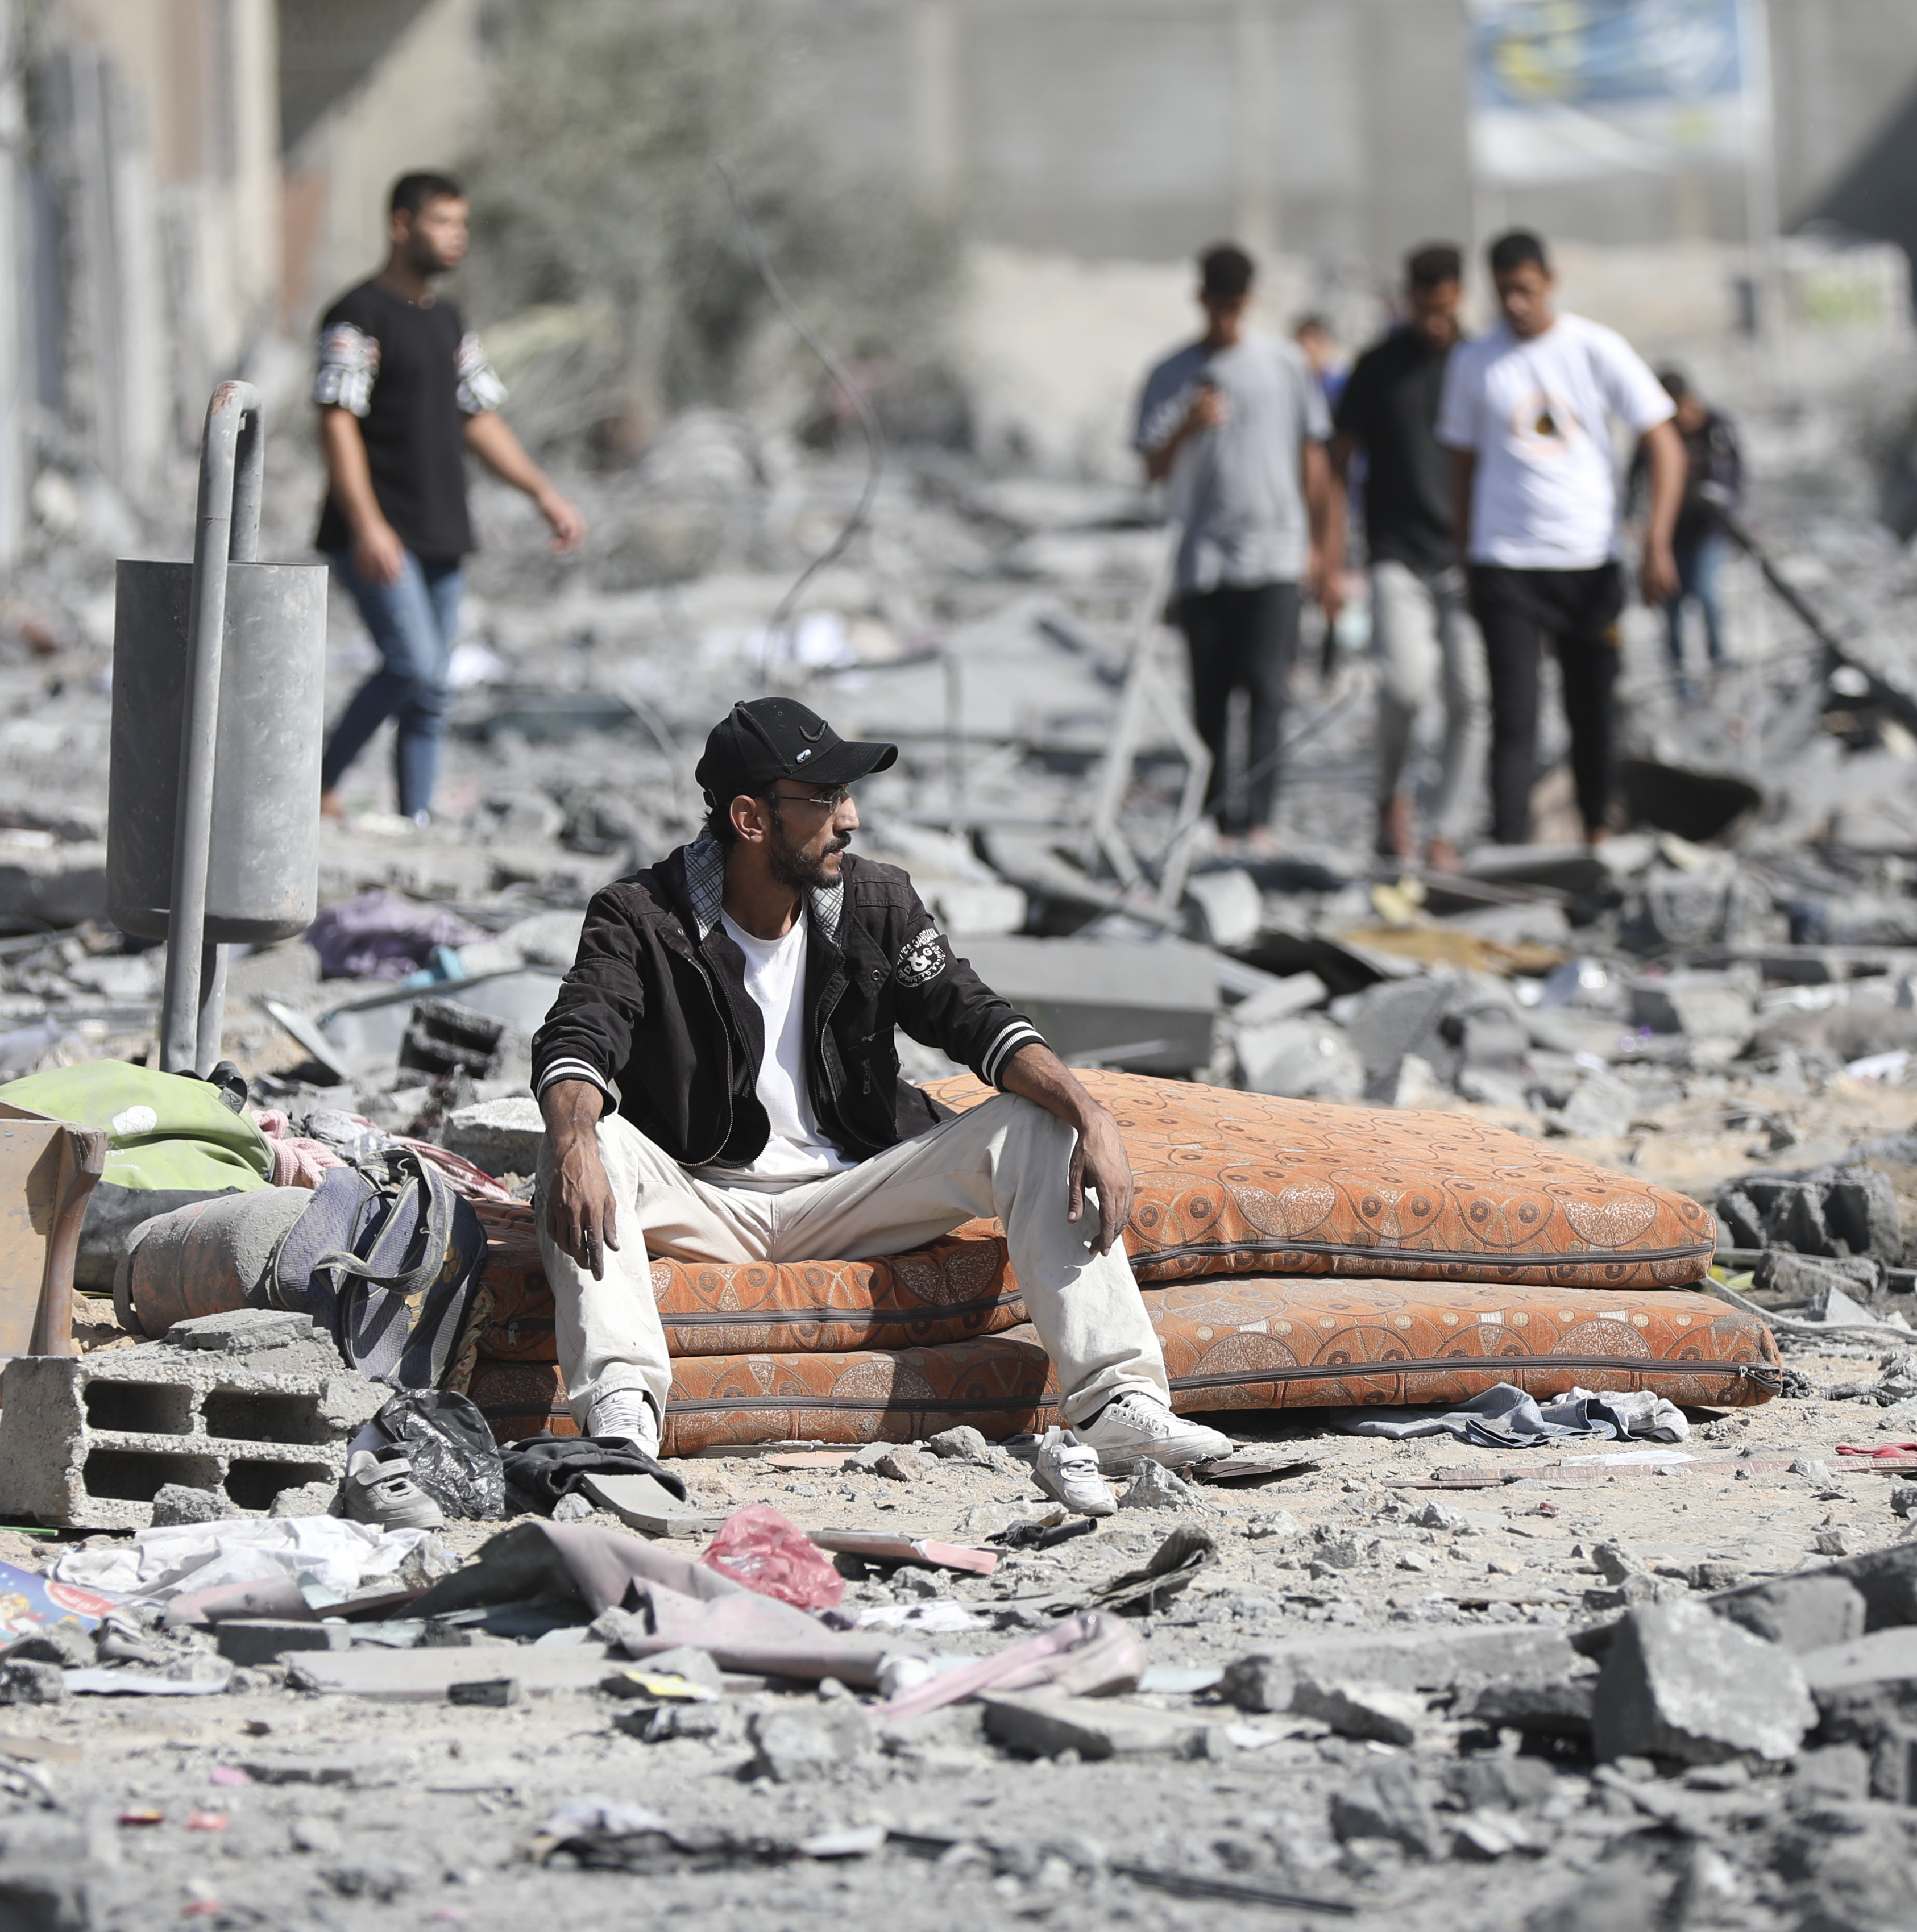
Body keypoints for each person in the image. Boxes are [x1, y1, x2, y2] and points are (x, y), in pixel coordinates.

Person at [529, 697, 1236, 1484]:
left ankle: (1118, 1406)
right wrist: (572, 1139)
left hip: (853, 1192)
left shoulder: (876, 904)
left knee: (1041, 1125)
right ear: (750, 819)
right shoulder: (640, 917)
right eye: (826, 798)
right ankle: (623, 1414)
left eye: (848, 796)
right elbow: (578, 1035)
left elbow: (972, 1015)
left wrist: (1089, 1112)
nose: (851, 818)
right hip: (706, 1199)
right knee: (586, 1145)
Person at [313, 171, 585, 821]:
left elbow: (479, 416)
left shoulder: (449, 321)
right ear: (401, 225)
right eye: (442, 223)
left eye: (462, 225)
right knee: (414, 664)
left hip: (441, 530)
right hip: (379, 532)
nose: (456, 237)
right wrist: (368, 522)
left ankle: (416, 820)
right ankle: (315, 781)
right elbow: (336, 419)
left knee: (432, 691)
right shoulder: (356, 315)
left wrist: (541, 492)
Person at [1437, 230, 1684, 846]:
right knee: (1515, 712)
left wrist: (1656, 540)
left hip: (1588, 559)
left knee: (1593, 707)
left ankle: (1598, 827)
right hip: (1506, 560)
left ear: (1548, 282)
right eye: (1503, 292)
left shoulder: (1595, 349)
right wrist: (1466, 552)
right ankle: (1511, 844)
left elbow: (1665, 444)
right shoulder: (1474, 362)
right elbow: (1462, 466)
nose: (1515, 304)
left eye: (1524, 290)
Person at [1135, 244, 1344, 851]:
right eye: (1217, 307)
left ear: (1249, 302)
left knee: (1267, 687)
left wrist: (1325, 553)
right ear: (1201, 300)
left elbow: (1315, 461)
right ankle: (1217, 820)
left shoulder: (1284, 366)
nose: (1227, 319)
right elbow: (1151, 466)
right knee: (1211, 695)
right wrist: (1188, 424)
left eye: (1236, 307)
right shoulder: (1170, 372)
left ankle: (1260, 821)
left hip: (1277, 552)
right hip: (1204, 559)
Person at [1329, 242, 1479, 871]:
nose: (1436, 320)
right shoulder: (1377, 365)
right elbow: (1336, 459)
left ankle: (1445, 827)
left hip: (1469, 557)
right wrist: (1331, 555)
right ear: (1409, 298)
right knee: (1406, 686)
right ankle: (1392, 796)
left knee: (1472, 696)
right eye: (1425, 307)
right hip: (1396, 553)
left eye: (1446, 307)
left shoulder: (1480, 362)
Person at [1639, 368, 1744, 696]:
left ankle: (1719, 670)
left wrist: (1726, 504)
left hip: (1708, 530)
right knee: (1672, 606)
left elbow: (1735, 474)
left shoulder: (1716, 426)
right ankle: (1680, 685)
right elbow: (1637, 471)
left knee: (1706, 595)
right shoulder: (1656, 431)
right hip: (1670, 532)